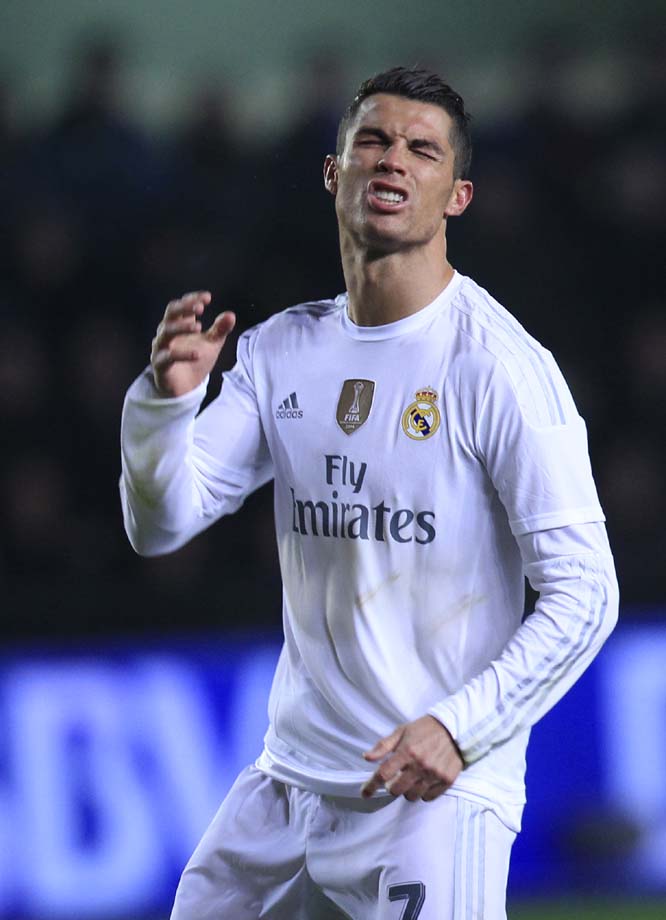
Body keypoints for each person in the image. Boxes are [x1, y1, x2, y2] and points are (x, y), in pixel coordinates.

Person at [120, 66, 618, 919]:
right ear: (333, 170)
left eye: (422, 151)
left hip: (429, 800)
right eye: (374, 142)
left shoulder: (496, 369)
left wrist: (461, 730)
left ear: (457, 196)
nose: (393, 162)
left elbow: (587, 594)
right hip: (287, 784)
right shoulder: (283, 351)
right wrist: (165, 407)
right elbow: (161, 526)